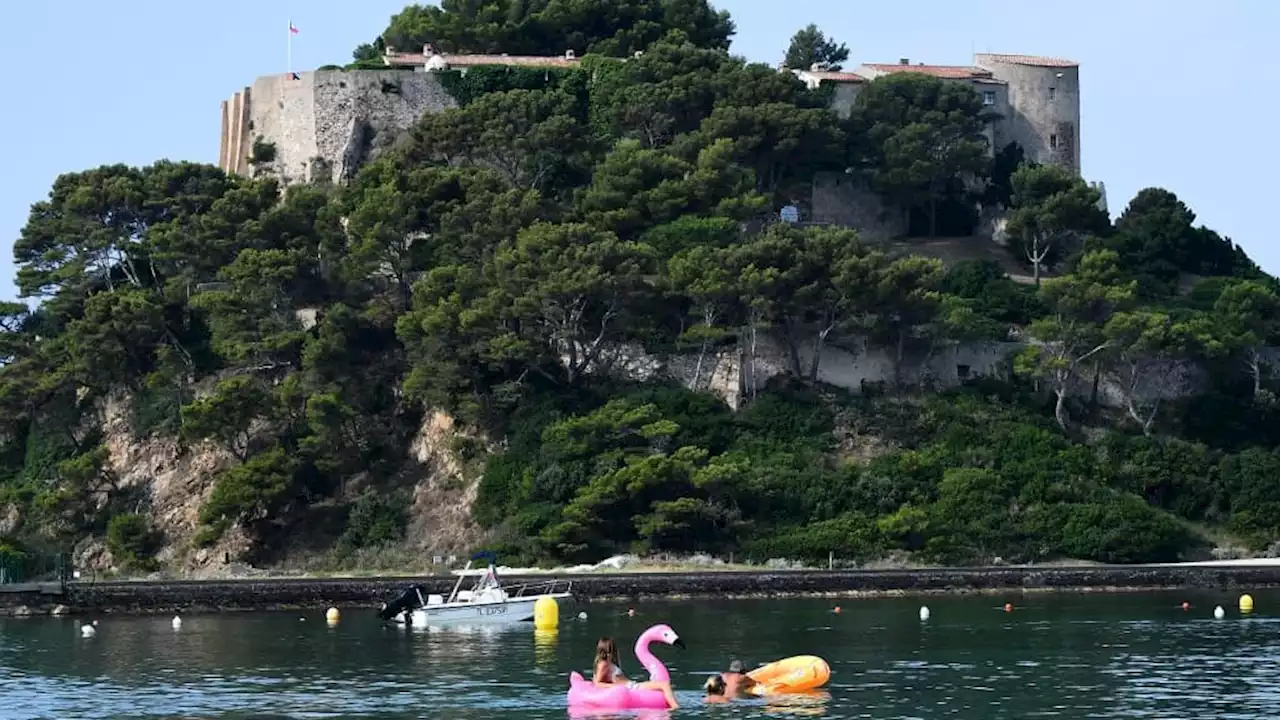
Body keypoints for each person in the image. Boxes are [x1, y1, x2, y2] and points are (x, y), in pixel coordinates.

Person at [592, 636, 680, 709]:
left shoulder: (608, 663)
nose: (613, 651)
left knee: (661, 685)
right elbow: (598, 683)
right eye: (611, 648)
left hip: (631, 685)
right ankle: (675, 707)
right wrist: (615, 687)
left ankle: (673, 705)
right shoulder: (603, 664)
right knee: (664, 684)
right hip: (630, 687)